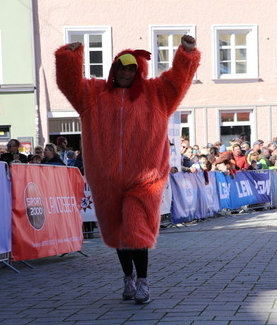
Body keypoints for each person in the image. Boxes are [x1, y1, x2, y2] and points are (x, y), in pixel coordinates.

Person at [55, 34, 200, 304]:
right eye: (121, 68)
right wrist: (69, 57)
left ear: (138, 72)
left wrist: (186, 53)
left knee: (136, 229)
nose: (126, 73)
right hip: (106, 179)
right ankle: (128, 277)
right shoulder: (93, 94)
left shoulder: (157, 94)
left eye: (132, 69)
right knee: (118, 233)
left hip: (145, 178)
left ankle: (143, 281)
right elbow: (69, 83)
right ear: (114, 69)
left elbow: (178, 81)